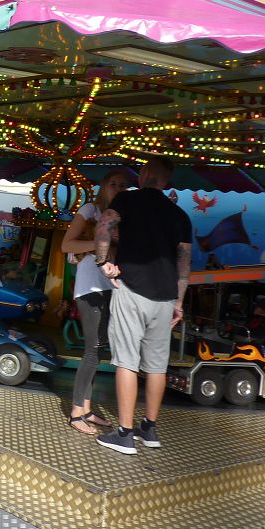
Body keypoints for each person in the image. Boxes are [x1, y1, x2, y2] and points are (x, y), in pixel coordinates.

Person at [92, 156, 192, 455]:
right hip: (165, 297)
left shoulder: (126, 200)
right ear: (167, 181)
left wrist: (102, 262)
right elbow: (184, 264)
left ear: (144, 174)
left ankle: (124, 434)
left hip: (132, 289)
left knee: (127, 361)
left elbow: (103, 227)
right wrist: (179, 302)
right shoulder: (180, 215)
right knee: (157, 367)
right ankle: (149, 429)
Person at [60, 169, 130, 435]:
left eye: (123, 185)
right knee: (92, 350)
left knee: (98, 350)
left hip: (111, 287)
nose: (118, 188)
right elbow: (67, 245)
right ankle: (76, 413)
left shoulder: (123, 217)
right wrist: (99, 242)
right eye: (113, 183)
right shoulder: (91, 210)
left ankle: (87, 409)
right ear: (103, 186)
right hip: (89, 286)